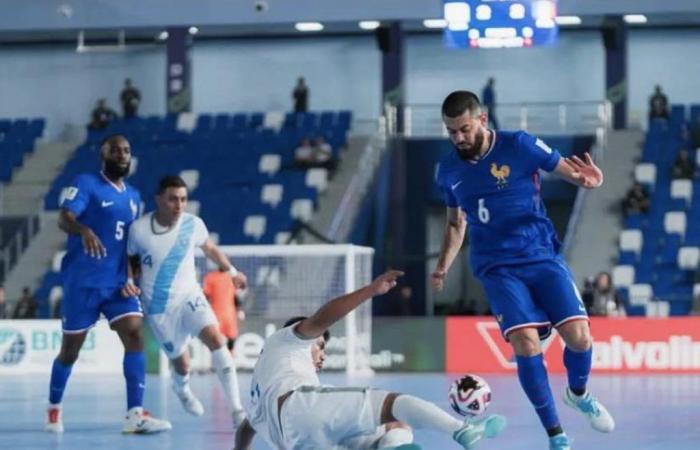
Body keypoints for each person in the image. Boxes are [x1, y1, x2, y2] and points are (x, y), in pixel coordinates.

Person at [433, 91, 614, 450]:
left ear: (482, 120)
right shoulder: (447, 170)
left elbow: (568, 170)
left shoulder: (520, 145)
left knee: (580, 337)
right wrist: (442, 267)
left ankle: (578, 394)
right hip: (497, 267)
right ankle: (556, 435)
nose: (458, 139)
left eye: (464, 129)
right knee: (526, 345)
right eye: (451, 132)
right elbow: (456, 225)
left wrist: (588, 180)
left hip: (541, 256)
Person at [233, 270, 506, 450]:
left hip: (296, 441)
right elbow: (321, 318)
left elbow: (245, 429)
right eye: (319, 345)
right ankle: (462, 430)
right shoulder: (287, 340)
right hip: (300, 406)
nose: (322, 354)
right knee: (394, 405)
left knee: (395, 428)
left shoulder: (263, 382)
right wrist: (371, 291)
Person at [46, 134, 170, 434]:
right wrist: (83, 229)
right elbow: (64, 218)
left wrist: (132, 275)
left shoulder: (134, 196)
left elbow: (129, 243)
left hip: (116, 285)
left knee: (134, 333)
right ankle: (53, 408)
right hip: (83, 283)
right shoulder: (86, 183)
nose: (122, 154)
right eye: (116, 150)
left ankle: (134, 414)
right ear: (103, 155)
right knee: (70, 352)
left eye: (127, 150)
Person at [126, 175, 248, 426]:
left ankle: (237, 410)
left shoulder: (193, 224)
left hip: (190, 297)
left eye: (183, 199)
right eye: (173, 199)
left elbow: (211, 249)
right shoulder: (139, 229)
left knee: (217, 339)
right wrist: (129, 280)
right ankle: (182, 388)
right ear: (159, 199)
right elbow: (129, 259)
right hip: (160, 309)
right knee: (182, 364)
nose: (179, 205)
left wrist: (232, 273)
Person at [203, 269, 242, 352]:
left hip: (230, 315)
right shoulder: (211, 277)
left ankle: (230, 362)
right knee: (216, 341)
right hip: (216, 315)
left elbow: (236, 297)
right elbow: (206, 296)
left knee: (231, 340)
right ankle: (219, 362)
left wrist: (239, 310)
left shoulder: (233, 278)